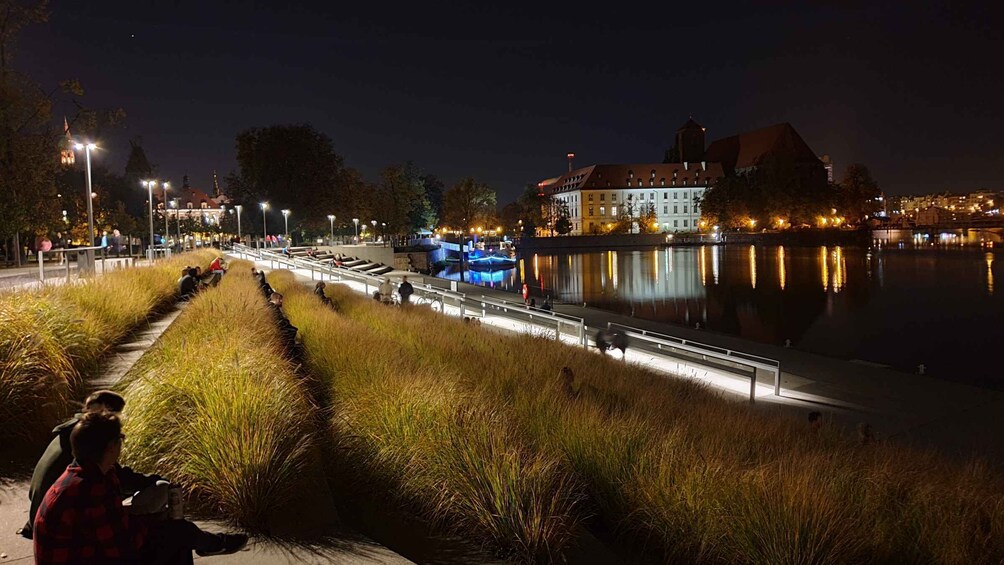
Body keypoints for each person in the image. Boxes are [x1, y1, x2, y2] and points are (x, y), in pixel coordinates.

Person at [33, 411, 247, 564]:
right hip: (86, 556)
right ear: (110, 447)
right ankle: (211, 543)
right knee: (176, 533)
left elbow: (111, 526)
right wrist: (152, 522)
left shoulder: (89, 469)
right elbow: (122, 547)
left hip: (88, 550)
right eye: (120, 439)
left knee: (173, 532)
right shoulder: (89, 488)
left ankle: (209, 543)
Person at [21, 391, 163, 540]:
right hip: (62, 529)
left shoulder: (70, 433)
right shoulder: (90, 449)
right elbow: (120, 545)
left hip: (41, 519)